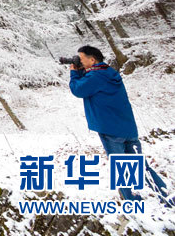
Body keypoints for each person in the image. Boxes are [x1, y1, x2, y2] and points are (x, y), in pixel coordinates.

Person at [69, 45, 172, 206]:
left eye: (80, 59)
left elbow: (78, 90)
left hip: (110, 130)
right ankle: (165, 196)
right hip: (128, 128)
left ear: (92, 59)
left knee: (121, 167)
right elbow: (91, 82)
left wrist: (74, 73)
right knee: (140, 166)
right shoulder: (109, 73)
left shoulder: (95, 77)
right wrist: (82, 71)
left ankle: (133, 202)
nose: (78, 61)